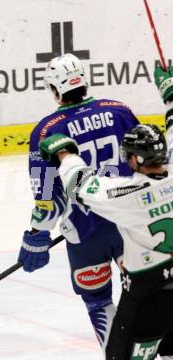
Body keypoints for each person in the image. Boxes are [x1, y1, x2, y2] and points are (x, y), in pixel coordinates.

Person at [37, 64, 173, 360]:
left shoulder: (125, 195)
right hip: (152, 254)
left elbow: (71, 187)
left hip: (96, 242)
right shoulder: (121, 111)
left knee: (102, 309)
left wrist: (65, 154)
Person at [18, 53, 140, 350]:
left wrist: (38, 233)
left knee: (99, 302)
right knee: (150, 294)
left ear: (54, 89)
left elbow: (47, 195)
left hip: (85, 234)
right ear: (84, 80)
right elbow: (145, 163)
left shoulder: (47, 131)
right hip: (132, 225)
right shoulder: (120, 111)